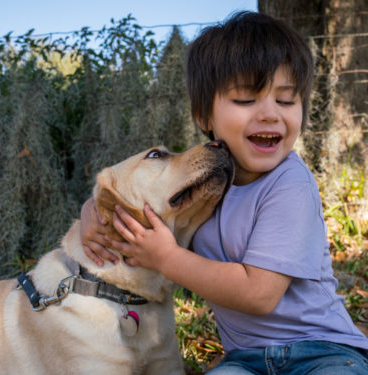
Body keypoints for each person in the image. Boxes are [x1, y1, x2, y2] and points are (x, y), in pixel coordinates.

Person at [80, 11, 368, 374]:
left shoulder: (289, 183)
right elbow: (147, 190)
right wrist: (94, 208)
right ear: (204, 116)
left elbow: (258, 295)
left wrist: (167, 258)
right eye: (246, 100)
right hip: (244, 362)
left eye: (285, 100)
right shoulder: (208, 182)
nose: (269, 115)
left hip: (321, 351)